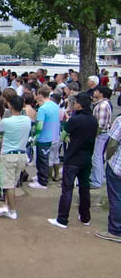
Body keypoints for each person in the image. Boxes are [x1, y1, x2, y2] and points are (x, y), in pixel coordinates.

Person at [48, 93, 98, 229]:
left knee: (67, 189)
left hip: (73, 158)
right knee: (84, 188)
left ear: (79, 105)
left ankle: (62, 219)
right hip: (87, 158)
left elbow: (63, 136)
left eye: (75, 103)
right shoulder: (94, 120)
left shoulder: (75, 120)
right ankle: (85, 217)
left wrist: (68, 138)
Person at [0, 96, 31, 220]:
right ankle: (7, 206)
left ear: (11, 107)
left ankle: (12, 211)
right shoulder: (27, 120)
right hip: (22, 155)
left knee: (8, 185)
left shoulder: (6, 122)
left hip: (9, 155)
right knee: (12, 183)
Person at [95, 114, 121, 242]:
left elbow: (112, 144)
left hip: (117, 167)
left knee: (116, 198)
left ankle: (115, 231)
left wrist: (108, 158)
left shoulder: (120, 121)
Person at [29, 85, 60, 190]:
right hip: (55, 135)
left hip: (44, 137)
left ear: (40, 95)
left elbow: (39, 125)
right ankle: (40, 176)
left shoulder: (43, 108)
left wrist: (35, 136)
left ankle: (42, 181)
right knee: (46, 159)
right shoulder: (55, 105)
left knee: (42, 160)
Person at [90, 86, 113, 189]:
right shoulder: (102, 104)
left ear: (101, 93)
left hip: (100, 134)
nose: (94, 92)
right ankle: (98, 178)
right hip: (102, 134)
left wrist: (94, 135)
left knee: (97, 157)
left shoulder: (103, 105)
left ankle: (96, 181)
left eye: (96, 91)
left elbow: (100, 124)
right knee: (98, 156)